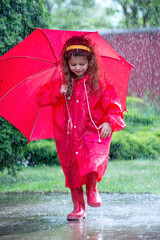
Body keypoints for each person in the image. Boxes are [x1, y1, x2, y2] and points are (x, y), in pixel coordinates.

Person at [36, 36, 126, 221]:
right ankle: (78, 207)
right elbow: (40, 99)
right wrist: (57, 91)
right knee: (72, 170)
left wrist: (109, 121)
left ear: (90, 62)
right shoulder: (61, 83)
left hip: (90, 132)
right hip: (67, 135)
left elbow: (113, 105)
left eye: (82, 64)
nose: (77, 68)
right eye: (73, 64)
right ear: (66, 64)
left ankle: (92, 188)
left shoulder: (99, 84)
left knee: (91, 159)